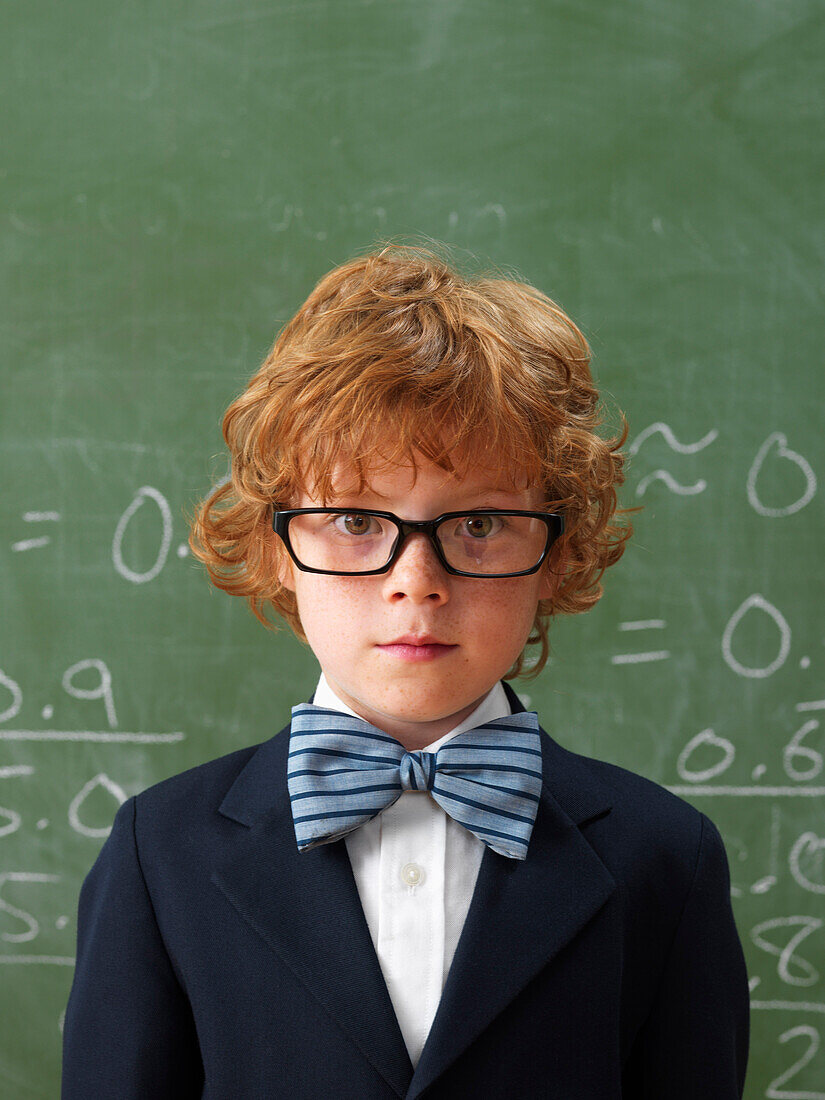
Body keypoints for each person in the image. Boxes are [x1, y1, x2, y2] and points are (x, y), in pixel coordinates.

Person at [61, 241, 750, 1097]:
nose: (413, 584)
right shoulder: (158, 853)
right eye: (354, 520)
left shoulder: (664, 858)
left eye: (478, 525)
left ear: (553, 551)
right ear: (277, 546)